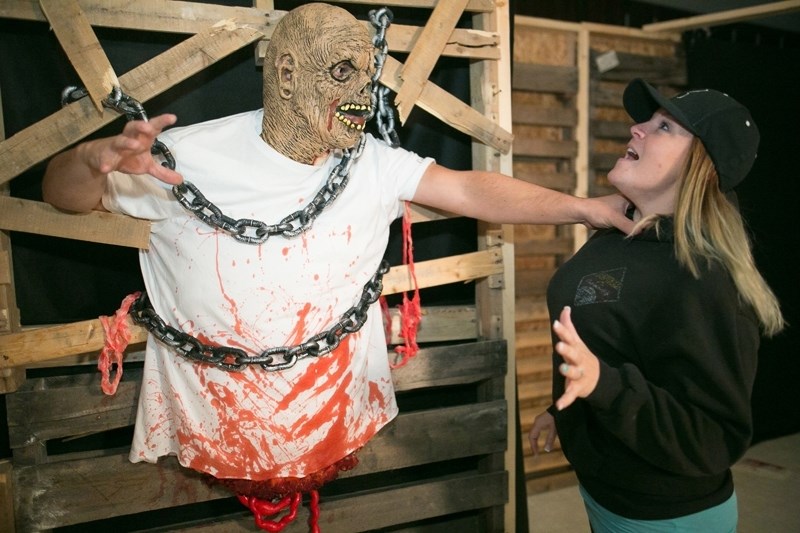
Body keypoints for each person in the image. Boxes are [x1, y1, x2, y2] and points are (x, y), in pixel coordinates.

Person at [42, 3, 633, 530]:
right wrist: (92, 160)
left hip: (332, 420)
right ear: (290, 73)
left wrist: (579, 207)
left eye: (367, 77)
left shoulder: (373, 162)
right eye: (343, 73)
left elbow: (473, 191)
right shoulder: (181, 159)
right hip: (212, 425)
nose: (363, 98)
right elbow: (63, 195)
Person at [528, 78, 785, 532]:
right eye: (647, 120)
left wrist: (600, 384)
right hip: (605, 489)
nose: (637, 129)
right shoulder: (619, 233)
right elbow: (618, 340)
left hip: (666, 515)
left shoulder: (704, 277)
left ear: (701, 167)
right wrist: (567, 408)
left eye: (664, 126)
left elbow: (712, 438)